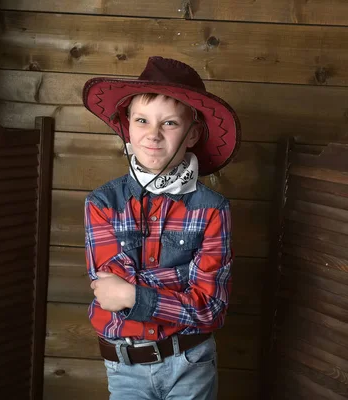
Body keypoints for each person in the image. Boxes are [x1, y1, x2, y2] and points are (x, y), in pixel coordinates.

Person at [82, 56, 241, 400]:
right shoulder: (102, 203)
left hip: (190, 361)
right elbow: (109, 294)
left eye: (169, 123)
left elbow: (210, 308)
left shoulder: (212, 209)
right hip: (125, 366)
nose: (153, 135)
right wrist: (179, 288)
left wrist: (134, 294)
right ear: (128, 126)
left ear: (192, 133)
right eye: (142, 120)